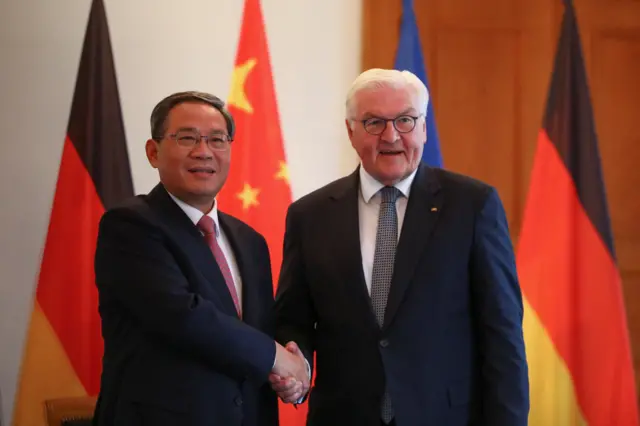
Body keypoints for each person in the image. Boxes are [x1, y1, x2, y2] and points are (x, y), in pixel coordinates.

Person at [273, 69, 530, 426]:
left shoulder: (472, 205)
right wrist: (294, 367)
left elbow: (503, 335)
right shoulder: (310, 215)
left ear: (424, 128)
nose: (391, 135)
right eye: (374, 122)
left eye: (405, 120)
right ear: (351, 131)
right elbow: (293, 319)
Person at [92, 91, 308, 426]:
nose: (203, 151)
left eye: (217, 139)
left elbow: (261, 329)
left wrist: (294, 372)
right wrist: (275, 358)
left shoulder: (250, 242)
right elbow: (183, 316)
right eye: (187, 138)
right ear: (153, 152)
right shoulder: (130, 225)